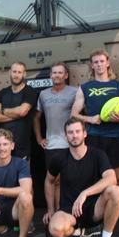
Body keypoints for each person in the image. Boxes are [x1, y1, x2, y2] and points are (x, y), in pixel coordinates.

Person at [71, 49, 119, 237]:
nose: (99, 64)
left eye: (102, 61)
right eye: (95, 62)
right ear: (92, 66)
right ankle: (93, 222)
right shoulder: (85, 87)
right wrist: (91, 119)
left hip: (115, 137)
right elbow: (74, 114)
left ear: (108, 63)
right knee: (94, 180)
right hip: (93, 138)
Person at [44, 117, 119, 237]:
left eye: (78, 131)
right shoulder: (59, 158)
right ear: (65, 136)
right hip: (69, 210)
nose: (74, 135)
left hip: (94, 208)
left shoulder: (98, 154)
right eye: (70, 132)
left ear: (85, 134)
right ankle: (76, 232)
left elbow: (112, 178)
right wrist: (51, 210)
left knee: (115, 191)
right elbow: (49, 181)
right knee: (55, 230)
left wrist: (85, 193)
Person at [34, 62, 77, 212]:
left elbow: (81, 115)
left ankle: (64, 209)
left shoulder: (75, 92)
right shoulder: (43, 94)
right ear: (50, 75)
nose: (57, 75)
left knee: (68, 179)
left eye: (60, 73)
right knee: (54, 179)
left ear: (66, 75)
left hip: (70, 144)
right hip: (52, 144)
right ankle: (53, 211)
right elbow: (36, 118)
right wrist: (39, 139)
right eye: (54, 73)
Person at [0, 62, 38, 159]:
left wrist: (3, 111)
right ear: (10, 73)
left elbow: (22, 111)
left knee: (23, 174)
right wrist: (17, 115)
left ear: (24, 74)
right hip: (3, 146)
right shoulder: (2, 93)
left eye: (19, 72)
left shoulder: (30, 92)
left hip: (22, 145)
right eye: (14, 71)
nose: (16, 75)